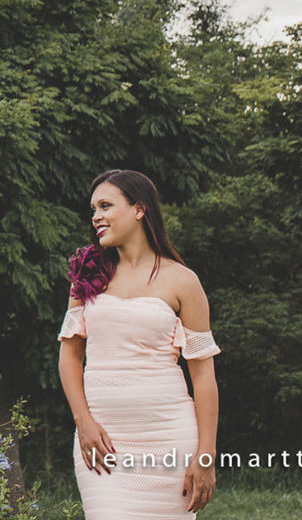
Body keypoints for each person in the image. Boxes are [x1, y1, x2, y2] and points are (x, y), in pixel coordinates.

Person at [57, 169, 220, 517]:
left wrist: (205, 456)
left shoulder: (183, 281)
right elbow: (69, 357)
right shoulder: (88, 275)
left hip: (169, 440)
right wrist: (83, 422)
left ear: (139, 209)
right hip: (103, 445)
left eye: (105, 206)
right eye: (93, 209)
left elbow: (204, 376)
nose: (96, 216)